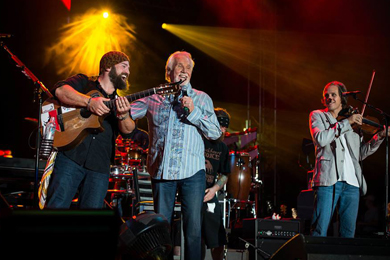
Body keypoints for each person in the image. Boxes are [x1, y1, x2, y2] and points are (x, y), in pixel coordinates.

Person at [130, 51, 222, 259]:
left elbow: (215, 133)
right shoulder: (152, 97)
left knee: (193, 230)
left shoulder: (201, 98)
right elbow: (126, 115)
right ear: (168, 72)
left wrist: (194, 111)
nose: (184, 71)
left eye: (188, 68)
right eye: (179, 66)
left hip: (192, 172)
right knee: (161, 229)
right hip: (162, 171)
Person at [45, 51, 136, 209]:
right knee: (56, 208)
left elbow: (129, 130)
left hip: (99, 166)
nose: (127, 72)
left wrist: (123, 115)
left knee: (91, 219)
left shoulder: (119, 102)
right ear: (108, 67)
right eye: (124, 66)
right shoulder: (83, 82)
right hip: (70, 156)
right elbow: (60, 91)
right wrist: (89, 102)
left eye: (128, 68)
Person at [309, 81, 389, 237]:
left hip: (352, 183)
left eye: (334, 95)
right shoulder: (318, 115)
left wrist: (378, 137)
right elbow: (321, 139)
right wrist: (347, 122)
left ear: (342, 98)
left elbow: (360, 154)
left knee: (348, 234)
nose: (329, 98)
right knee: (320, 230)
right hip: (328, 180)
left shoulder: (351, 124)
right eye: (327, 95)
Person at [202, 107, 231, 260]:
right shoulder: (198, 139)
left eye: (225, 128)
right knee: (192, 235)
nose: (223, 131)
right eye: (220, 126)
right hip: (192, 192)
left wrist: (214, 189)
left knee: (218, 235)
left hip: (210, 195)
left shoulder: (223, 147)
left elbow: (225, 175)